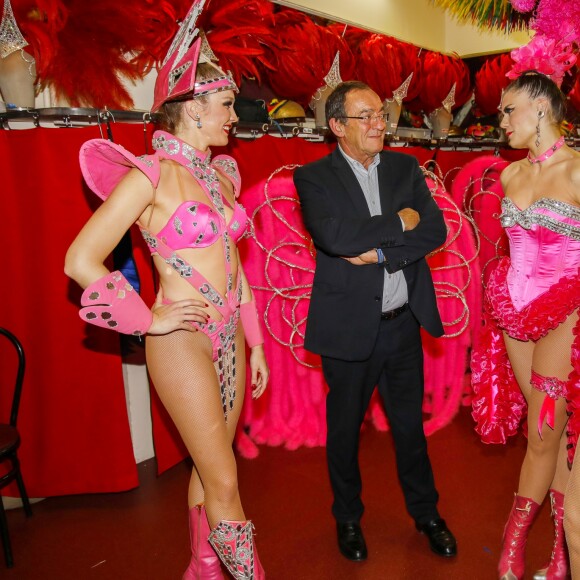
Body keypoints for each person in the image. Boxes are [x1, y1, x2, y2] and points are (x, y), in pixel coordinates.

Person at [64, 4, 268, 579]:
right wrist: (147, 321)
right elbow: (80, 257)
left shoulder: (220, 175)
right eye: (226, 105)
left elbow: (233, 262)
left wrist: (255, 340)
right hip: (181, 340)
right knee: (226, 481)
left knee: (210, 471)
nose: (235, 117)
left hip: (231, 335)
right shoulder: (148, 175)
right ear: (192, 107)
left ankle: (203, 568)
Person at [293, 80, 457, 562]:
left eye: (381, 114)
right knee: (344, 431)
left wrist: (383, 250)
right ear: (338, 125)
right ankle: (347, 518)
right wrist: (399, 221)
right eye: (365, 116)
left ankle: (427, 514)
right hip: (347, 328)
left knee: (410, 429)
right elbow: (336, 236)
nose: (379, 123)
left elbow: (435, 229)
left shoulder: (406, 168)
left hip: (403, 324)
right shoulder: (313, 177)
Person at [471, 70, 580, 580]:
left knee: (540, 434)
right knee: (549, 436)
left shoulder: (579, 172)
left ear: (541, 107)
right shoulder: (509, 176)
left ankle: (514, 545)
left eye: (508, 109)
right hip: (514, 311)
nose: (501, 120)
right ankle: (559, 556)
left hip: (568, 310)